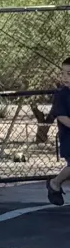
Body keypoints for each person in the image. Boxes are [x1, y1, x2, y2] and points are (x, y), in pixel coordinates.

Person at [45, 57, 70, 206]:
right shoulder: (61, 95)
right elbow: (61, 116)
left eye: (69, 73)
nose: (65, 77)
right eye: (64, 73)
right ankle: (55, 183)